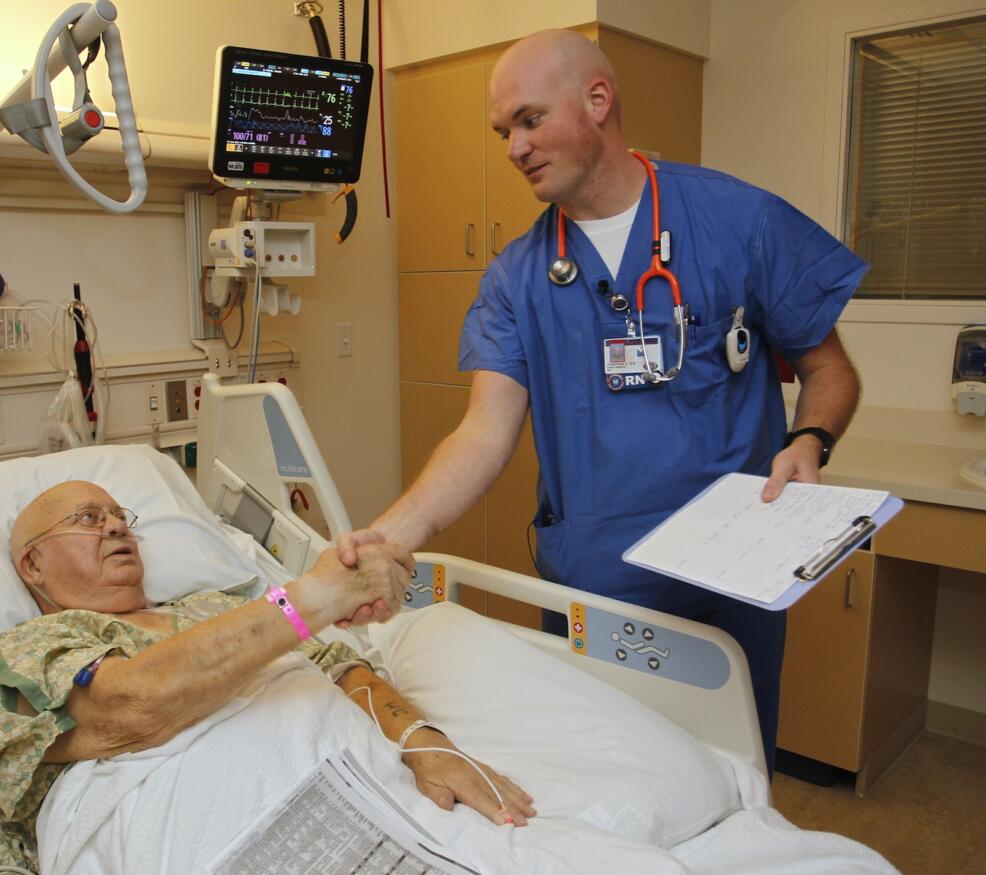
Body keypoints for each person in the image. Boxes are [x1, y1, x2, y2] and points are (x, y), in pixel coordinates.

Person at [338, 29, 868, 777]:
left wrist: (809, 439)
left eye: (528, 120)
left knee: (735, 786)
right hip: (596, 586)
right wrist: (389, 536)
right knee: (612, 782)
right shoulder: (517, 278)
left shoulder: (738, 222)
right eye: (503, 133)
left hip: (728, 583)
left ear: (597, 101)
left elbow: (830, 367)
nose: (514, 148)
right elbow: (482, 434)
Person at [0, 480, 535, 874]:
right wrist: (315, 598)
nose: (116, 529)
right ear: (32, 564)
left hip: (360, 788)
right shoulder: (23, 651)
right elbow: (132, 706)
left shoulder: (213, 609)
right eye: (88, 519)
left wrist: (424, 743)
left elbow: (342, 669)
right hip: (202, 824)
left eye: (121, 518)